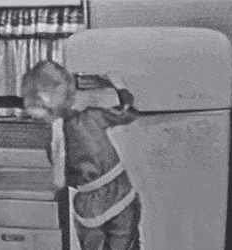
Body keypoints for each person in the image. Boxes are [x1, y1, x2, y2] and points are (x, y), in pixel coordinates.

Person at [21, 60, 142, 250]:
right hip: (120, 195)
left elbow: (62, 179)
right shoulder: (92, 117)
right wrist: (120, 87)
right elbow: (128, 113)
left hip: (91, 207)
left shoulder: (55, 140)